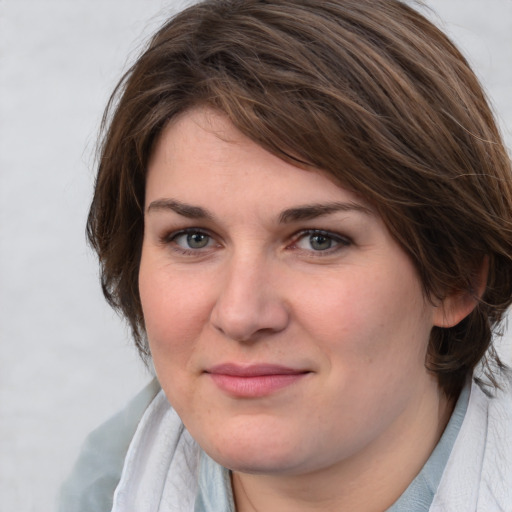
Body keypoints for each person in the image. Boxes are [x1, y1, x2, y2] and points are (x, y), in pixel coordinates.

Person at [58, 0, 512, 510]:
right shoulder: (107, 483)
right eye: (193, 238)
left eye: (319, 240)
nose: (241, 315)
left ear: (457, 279)